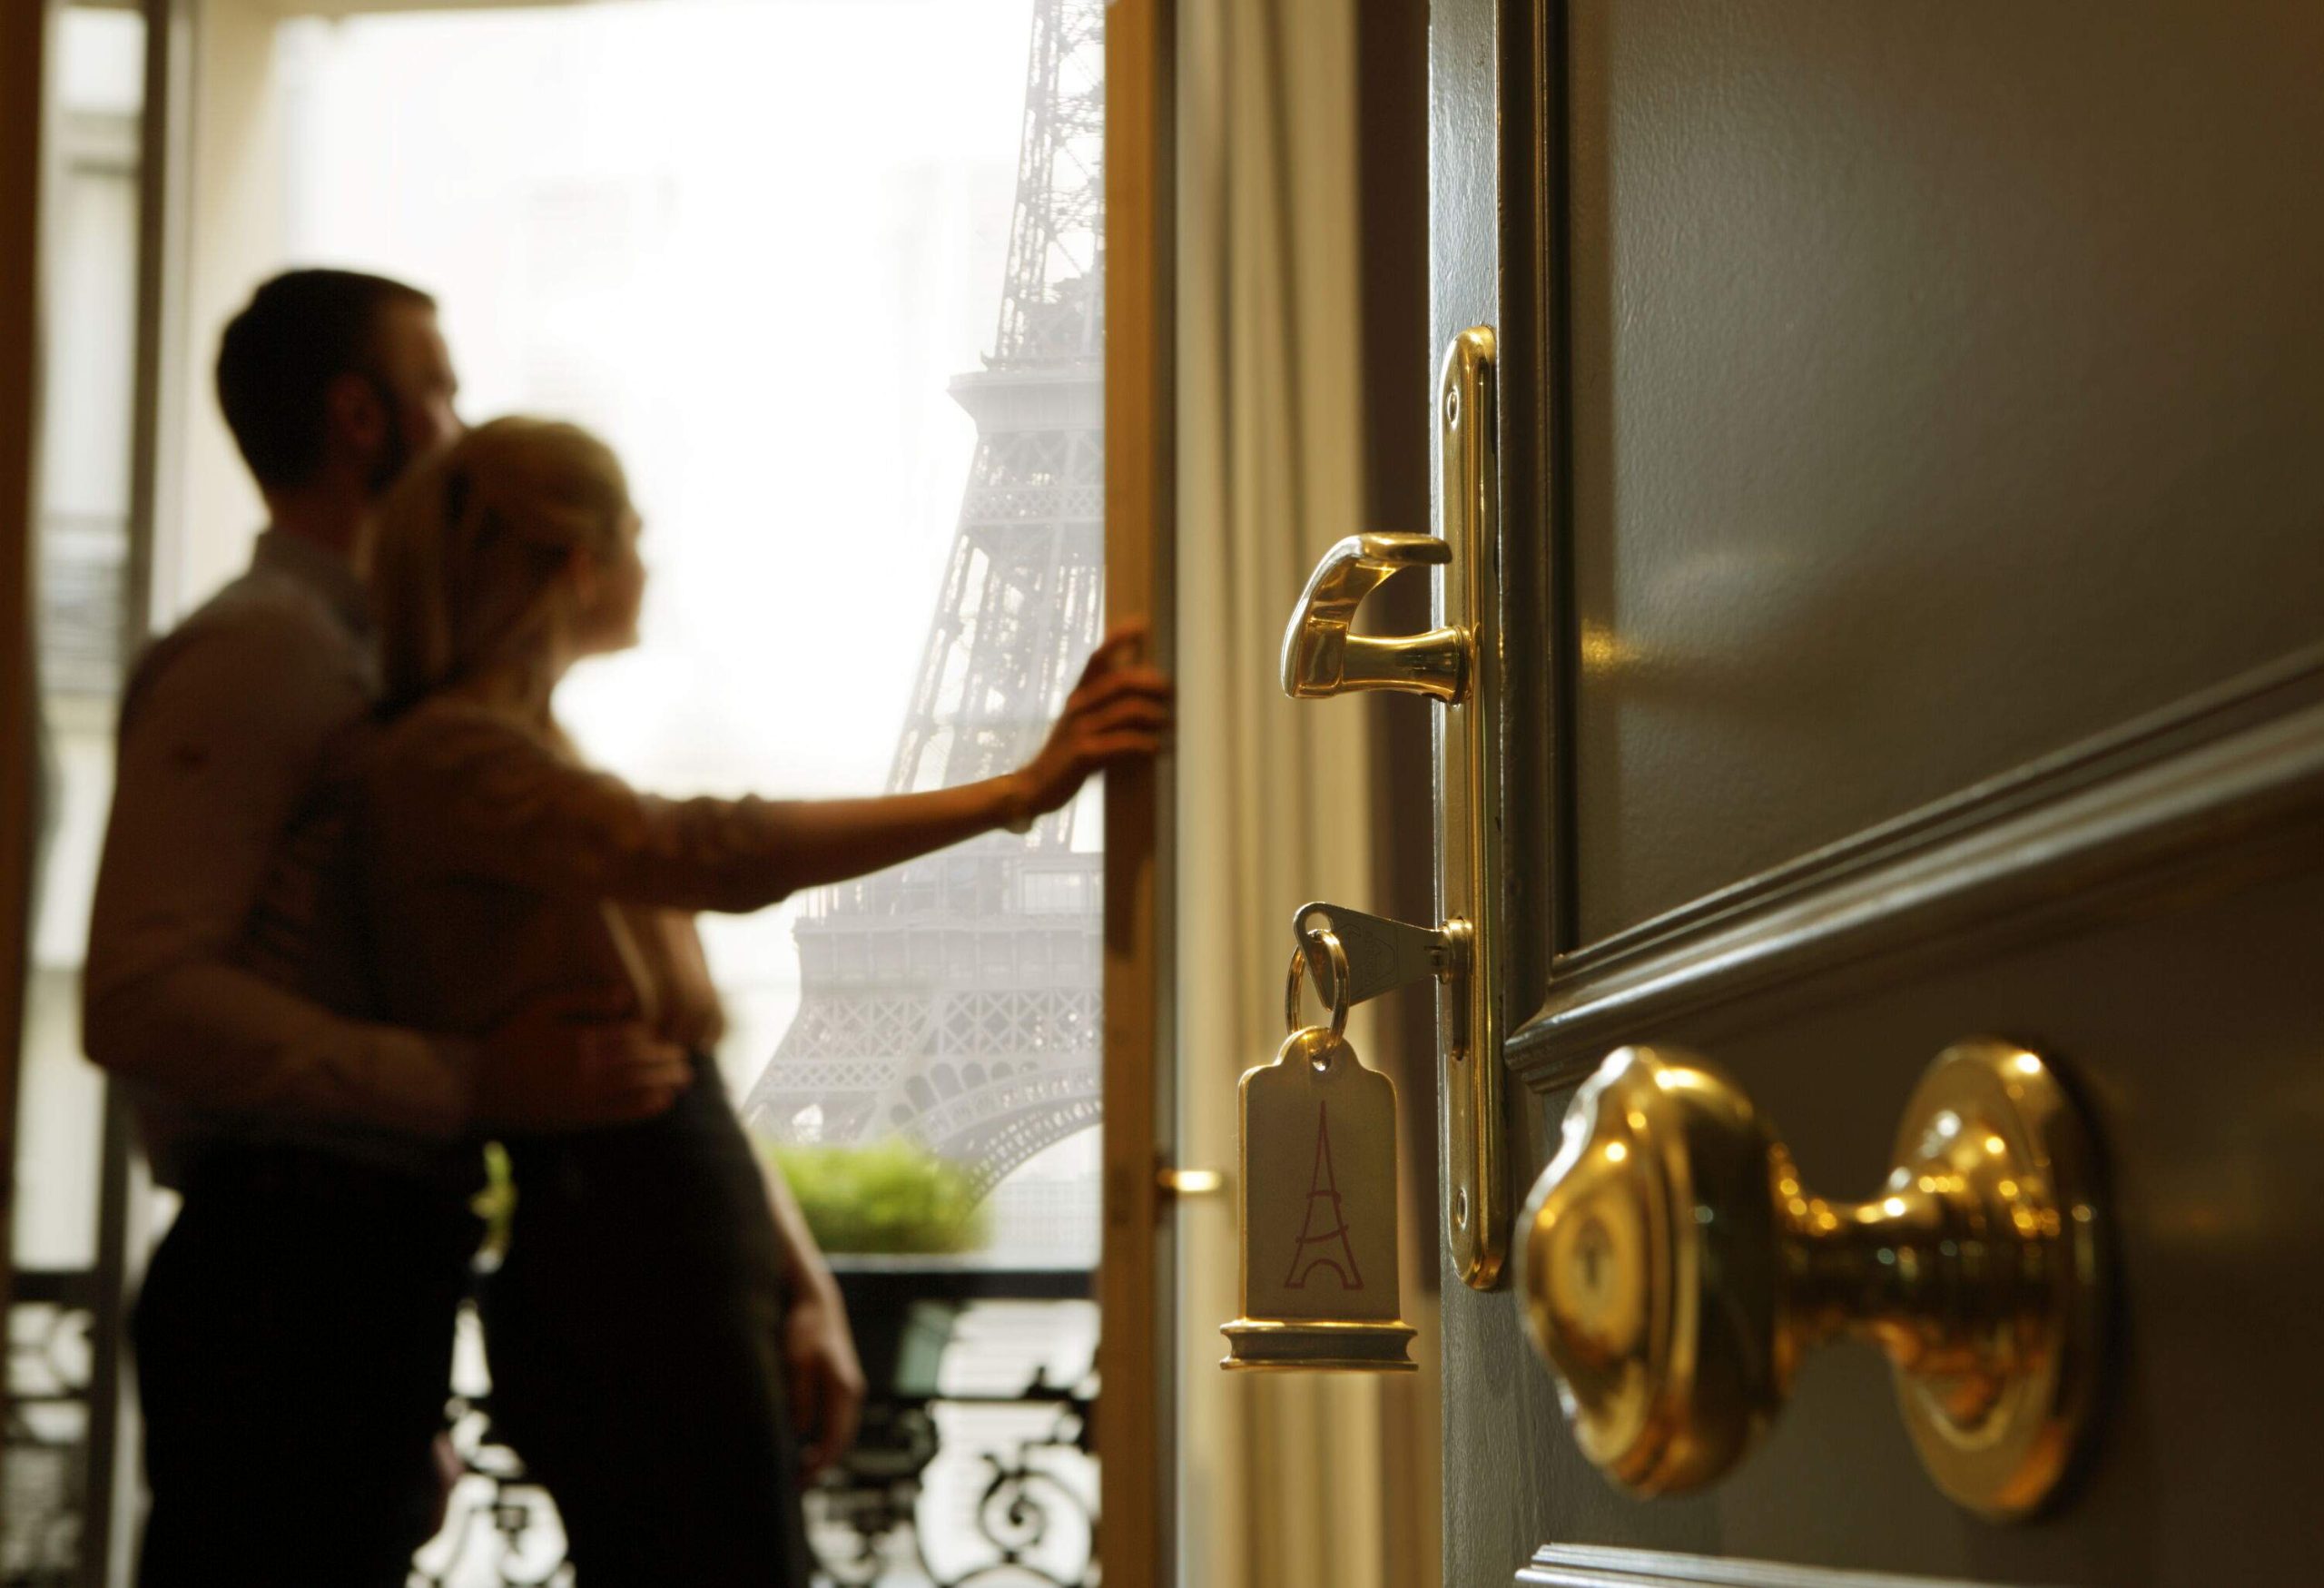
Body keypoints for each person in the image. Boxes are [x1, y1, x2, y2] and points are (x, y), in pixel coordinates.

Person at [342, 416, 1170, 1583]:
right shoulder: (457, 764)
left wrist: (805, 1284)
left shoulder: (528, 759)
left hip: (670, 1234)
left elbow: (691, 1077)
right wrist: (1016, 792)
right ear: (579, 562)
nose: (650, 562)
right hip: (628, 1258)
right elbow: (718, 850)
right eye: (635, 534)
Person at [83, 271, 692, 1588]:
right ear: (361, 418)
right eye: (442, 388)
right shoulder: (265, 656)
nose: (465, 427)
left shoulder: (381, 669)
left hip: (348, 1268)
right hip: (289, 1270)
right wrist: (466, 1084)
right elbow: (136, 994)